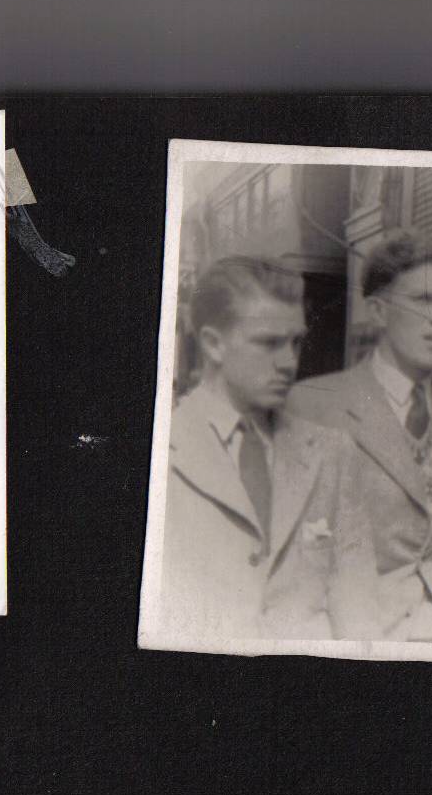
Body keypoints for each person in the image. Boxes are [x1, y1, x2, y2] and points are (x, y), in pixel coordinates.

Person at [285, 230, 432, 643]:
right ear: (378, 312)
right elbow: (303, 554)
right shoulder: (315, 403)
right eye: (424, 299)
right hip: (365, 631)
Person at [157, 256, 378, 642]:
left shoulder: (332, 452)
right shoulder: (163, 451)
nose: (289, 362)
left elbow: (358, 604)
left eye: (295, 342)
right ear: (213, 344)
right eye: (269, 343)